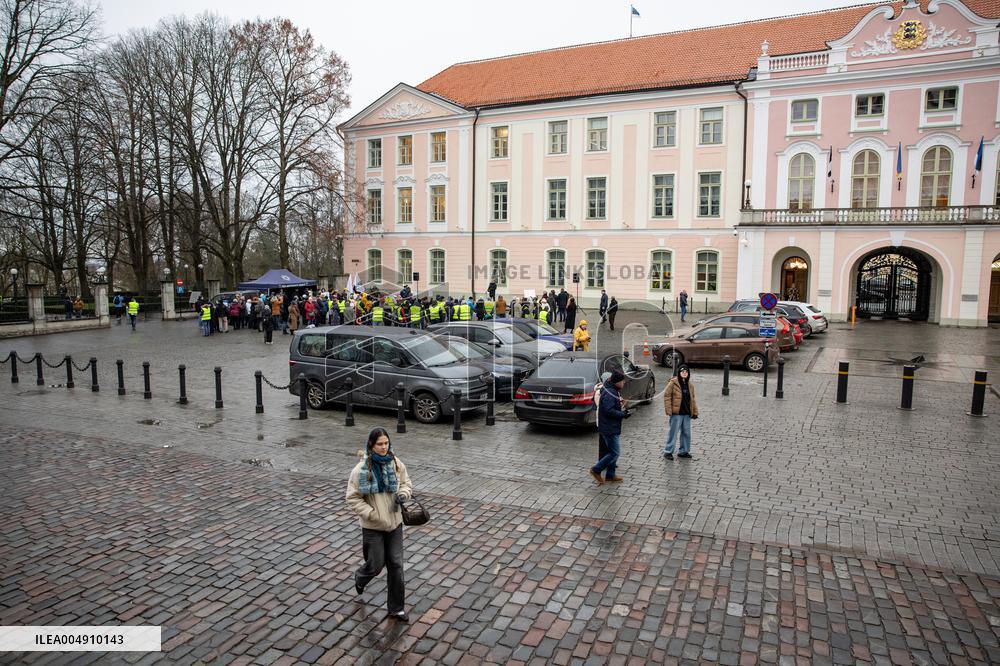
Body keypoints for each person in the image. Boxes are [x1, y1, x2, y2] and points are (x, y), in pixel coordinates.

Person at [346, 427, 413, 623]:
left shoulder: (396, 463)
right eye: (380, 444)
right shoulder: (360, 470)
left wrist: (403, 494)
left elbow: (406, 483)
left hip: (395, 523)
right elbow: (352, 498)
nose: (384, 447)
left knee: (396, 565)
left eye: (386, 443)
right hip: (373, 526)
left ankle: (396, 608)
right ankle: (361, 577)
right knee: (375, 565)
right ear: (371, 445)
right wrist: (371, 514)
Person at [590, 370, 628, 485]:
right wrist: (623, 414)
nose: (624, 383)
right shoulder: (610, 392)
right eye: (622, 381)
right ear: (617, 382)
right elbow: (608, 411)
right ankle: (596, 470)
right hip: (609, 428)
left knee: (612, 451)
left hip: (611, 426)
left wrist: (621, 406)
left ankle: (610, 475)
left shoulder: (613, 391)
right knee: (614, 452)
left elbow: (611, 408)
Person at [663, 365, 698, 460]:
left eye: (686, 372)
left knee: (686, 433)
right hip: (676, 413)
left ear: (688, 374)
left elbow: (693, 399)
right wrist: (669, 410)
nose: (684, 373)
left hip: (686, 413)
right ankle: (668, 451)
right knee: (673, 433)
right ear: (679, 373)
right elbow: (667, 396)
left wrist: (695, 412)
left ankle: (683, 451)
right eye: (682, 371)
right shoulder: (673, 383)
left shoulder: (690, 385)